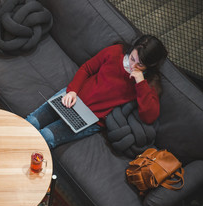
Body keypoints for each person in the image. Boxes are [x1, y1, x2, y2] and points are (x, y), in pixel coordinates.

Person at [26, 35, 168, 149]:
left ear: (149, 66)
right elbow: (87, 68)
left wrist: (140, 82)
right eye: (132, 58)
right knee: (31, 122)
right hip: (74, 97)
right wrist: (72, 91)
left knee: (46, 136)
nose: (133, 65)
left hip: (91, 118)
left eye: (140, 64)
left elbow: (149, 116)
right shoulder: (115, 52)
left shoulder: (148, 83)